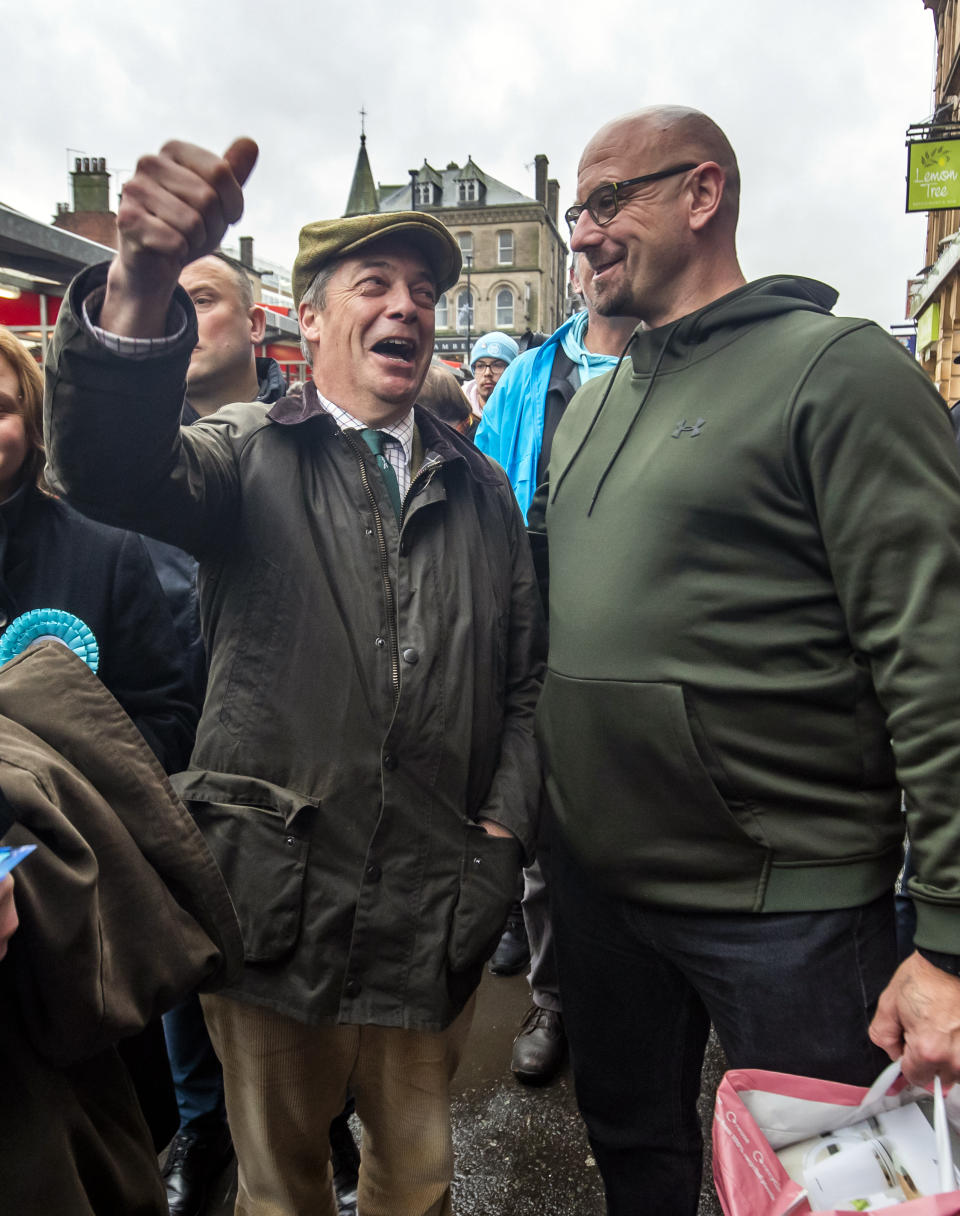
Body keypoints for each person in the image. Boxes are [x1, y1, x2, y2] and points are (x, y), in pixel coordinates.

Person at [44, 136, 544, 1216]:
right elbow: (106, 464)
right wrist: (136, 281)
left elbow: (525, 686)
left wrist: (498, 845)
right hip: (274, 921)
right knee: (284, 1187)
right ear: (310, 319)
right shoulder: (242, 451)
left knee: (416, 1182)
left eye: (422, 288)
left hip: (431, 918)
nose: (405, 305)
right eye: (374, 284)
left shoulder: (485, 493)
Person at [529, 105, 960, 1215]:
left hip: (792, 905)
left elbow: (938, 658)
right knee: (639, 1161)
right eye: (576, 210)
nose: (582, 234)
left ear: (702, 194)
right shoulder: (585, 406)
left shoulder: (839, 370)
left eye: (607, 202)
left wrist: (951, 940)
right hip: (601, 892)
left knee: (856, 1192)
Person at [475, 255, 640, 1084]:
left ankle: (639, 1011)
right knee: (542, 844)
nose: (595, 248)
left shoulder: (681, 358)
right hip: (538, 624)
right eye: (581, 223)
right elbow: (481, 489)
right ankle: (557, 1002)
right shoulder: (531, 377)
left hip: (638, 635)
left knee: (634, 836)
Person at [153, 252, 290, 1216]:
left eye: (198, 302)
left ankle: (317, 1130)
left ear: (254, 324)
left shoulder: (315, 440)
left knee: (279, 968)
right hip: (167, 755)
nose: (178, 321)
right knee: (180, 961)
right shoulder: (136, 457)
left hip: (280, 772)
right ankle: (203, 1127)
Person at [463, 330, 518, 417]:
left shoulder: (524, 412)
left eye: (497, 365)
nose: (487, 373)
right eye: (480, 366)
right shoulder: (458, 415)